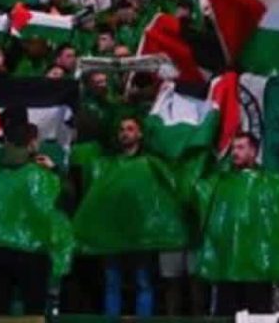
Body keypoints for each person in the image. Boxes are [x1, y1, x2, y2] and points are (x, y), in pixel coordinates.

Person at [0, 107, 73, 316]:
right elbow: (67, 198)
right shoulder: (40, 175)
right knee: (33, 310)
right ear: (31, 143)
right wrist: (55, 170)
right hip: (33, 252)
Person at [72, 116, 191, 318]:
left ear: (139, 134)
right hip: (113, 235)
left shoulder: (150, 164)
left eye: (130, 129)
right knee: (112, 283)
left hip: (141, 235)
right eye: (121, 129)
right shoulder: (108, 166)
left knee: (143, 282)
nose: (124, 133)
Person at [194, 132, 279, 317]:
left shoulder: (274, 184)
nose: (235, 152)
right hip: (227, 266)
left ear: (253, 151)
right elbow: (195, 190)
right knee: (227, 316)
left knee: (259, 316)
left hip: (258, 268)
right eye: (233, 148)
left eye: (241, 147)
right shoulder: (219, 182)